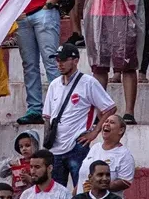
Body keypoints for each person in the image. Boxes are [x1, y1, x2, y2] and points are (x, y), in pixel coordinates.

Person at [41, 43, 114, 188]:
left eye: (63, 60)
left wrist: (94, 132)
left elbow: (110, 108)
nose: (59, 64)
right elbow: (47, 117)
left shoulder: (88, 82)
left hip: (77, 145)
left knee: (81, 189)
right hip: (55, 148)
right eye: (58, 60)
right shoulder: (54, 85)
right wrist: (47, 142)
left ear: (75, 61)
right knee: (56, 193)